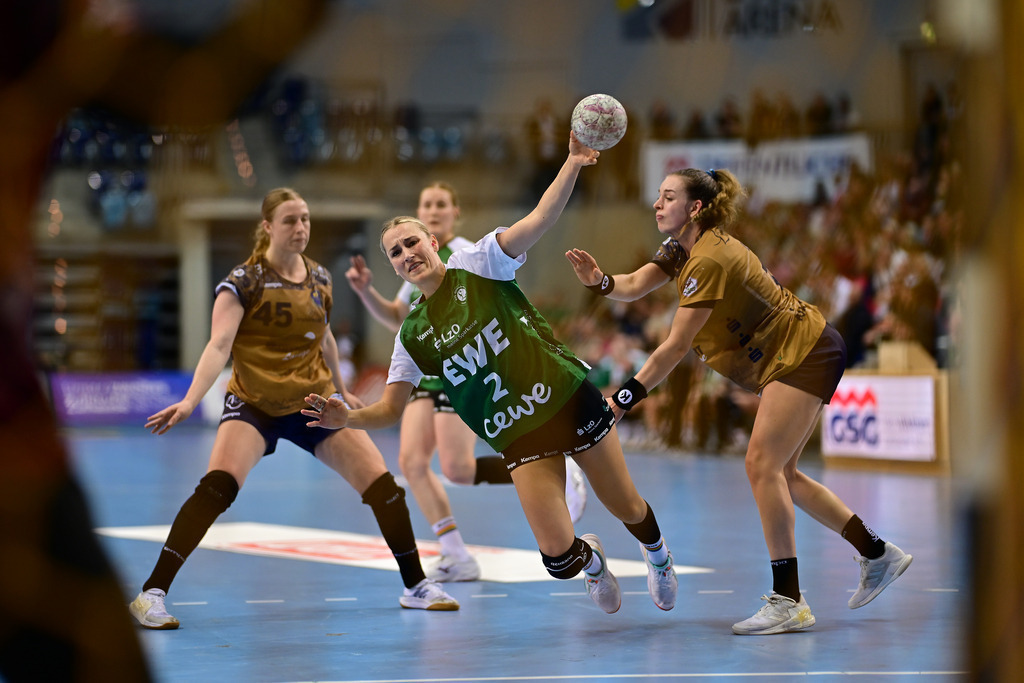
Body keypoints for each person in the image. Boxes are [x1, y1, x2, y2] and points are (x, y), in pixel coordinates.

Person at [303, 132, 677, 615]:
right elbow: (391, 409)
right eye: (395, 252)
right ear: (393, 267)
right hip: (518, 433)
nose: (406, 254)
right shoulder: (411, 335)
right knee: (558, 558)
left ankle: (658, 555)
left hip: (566, 398)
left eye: (411, 242)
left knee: (626, 506)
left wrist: (572, 162)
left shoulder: (478, 263)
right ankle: (592, 563)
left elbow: (540, 219)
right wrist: (346, 418)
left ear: (432, 242)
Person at [564, 167, 913, 635]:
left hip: (803, 351)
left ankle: (789, 600)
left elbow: (675, 346)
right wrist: (601, 281)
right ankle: (876, 553)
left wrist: (622, 399)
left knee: (761, 466)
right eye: (658, 196)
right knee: (782, 473)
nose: (657, 204)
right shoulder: (681, 249)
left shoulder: (707, 260)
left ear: (696, 208)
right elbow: (633, 285)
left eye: (669, 197)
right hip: (794, 352)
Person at [128, 188, 459, 630]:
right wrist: (190, 400)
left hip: (312, 401)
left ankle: (416, 586)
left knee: (384, 487)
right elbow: (218, 345)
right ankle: (152, 593)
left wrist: (342, 391)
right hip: (254, 403)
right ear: (267, 226)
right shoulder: (243, 281)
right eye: (290, 220)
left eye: (305, 219)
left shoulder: (320, 277)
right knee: (218, 487)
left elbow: (322, 337)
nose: (300, 227)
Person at [345, 181, 587, 582]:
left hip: (465, 366)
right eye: (426, 203)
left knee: (456, 467)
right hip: (430, 363)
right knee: (412, 462)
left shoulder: (461, 255)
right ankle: (455, 552)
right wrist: (365, 290)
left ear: (454, 213)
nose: (433, 209)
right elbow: (397, 317)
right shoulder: (415, 258)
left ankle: (555, 473)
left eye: (441, 204)